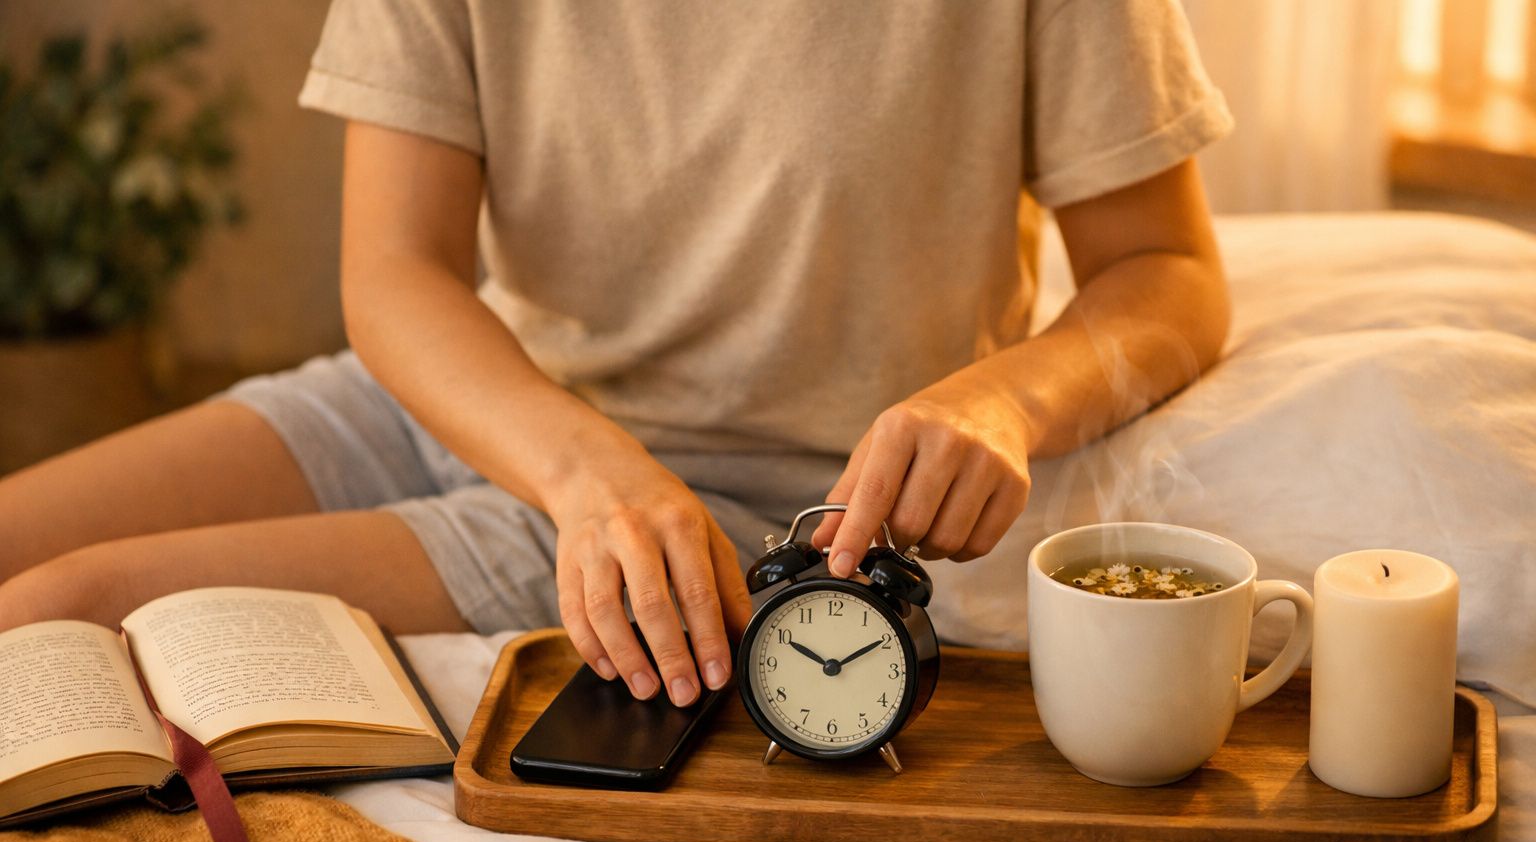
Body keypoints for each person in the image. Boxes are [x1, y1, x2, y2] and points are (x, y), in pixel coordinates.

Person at [0, 0, 1232, 708]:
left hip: (721, 503)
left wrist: (1004, 402)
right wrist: (584, 469)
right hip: (475, 398)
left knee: (59, 611)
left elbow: (1165, 274)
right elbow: (395, 270)